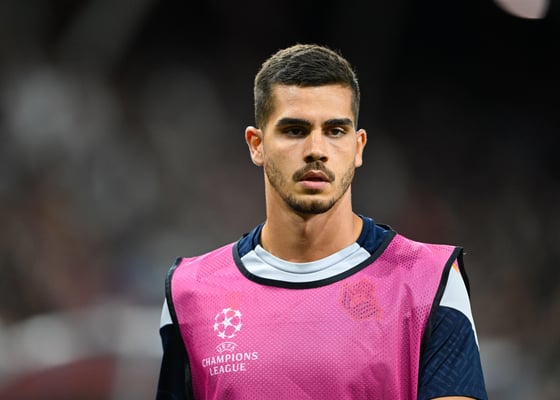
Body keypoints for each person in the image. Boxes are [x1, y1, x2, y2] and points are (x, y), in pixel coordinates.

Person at [156, 44, 488, 400]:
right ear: (256, 145)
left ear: (358, 147)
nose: (316, 149)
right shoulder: (190, 293)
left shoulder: (429, 282)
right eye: (295, 130)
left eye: (335, 131)